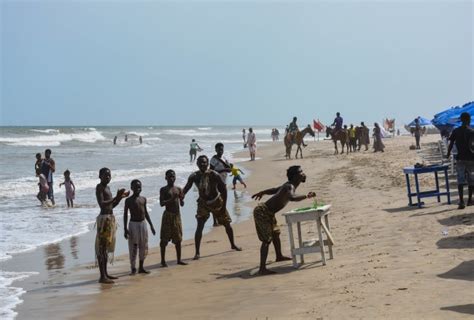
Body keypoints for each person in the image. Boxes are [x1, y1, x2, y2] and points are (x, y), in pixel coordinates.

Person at [251, 166, 316, 275]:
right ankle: (262, 268)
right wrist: (307, 196)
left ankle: (279, 256)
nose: (303, 174)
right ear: (295, 176)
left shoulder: (288, 185)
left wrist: (263, 192)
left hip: (268, 212)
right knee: (266, 240)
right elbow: (292, 197)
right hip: (262, 212)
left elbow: (275, 190)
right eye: (301, 172)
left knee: (276, 233)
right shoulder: (289, 186)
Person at [182, 155, 242, 260]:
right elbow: (186, 188)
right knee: (199, 226)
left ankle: (233, 244)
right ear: (197, 164)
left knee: (227, 224)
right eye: (200, 163)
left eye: (204, 162)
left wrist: (223, 206)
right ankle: (197, 252)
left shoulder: (214, 175)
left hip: (216, 201)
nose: (202, 164)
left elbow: (224, 190)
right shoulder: (194, 176)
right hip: (203, 203)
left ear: (208, 163)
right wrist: (181, 197)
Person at [95, 168, 129, 284]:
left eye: (109, 176)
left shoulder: (108, 188)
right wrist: (115, 197)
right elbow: (102, 204)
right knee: (102, 248)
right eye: (105, 175)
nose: (108, 177)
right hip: (104, 220)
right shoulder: (99, 187)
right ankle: (102, 276)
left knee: (105, 248)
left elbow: (112, 205)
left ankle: (105, 273)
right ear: (100, 176)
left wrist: (120, 197)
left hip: (109, 219)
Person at [124, 179, 155, 275]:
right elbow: (125, 214)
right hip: (133, 224)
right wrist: (125, 228)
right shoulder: (128, 200)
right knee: (133, 246)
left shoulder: (143, 199)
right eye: (136, 187)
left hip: (143, 224)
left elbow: (145, 213)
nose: (138, 188)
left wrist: (151, 225)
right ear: (131, 188)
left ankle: (141, 267)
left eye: (139, 187)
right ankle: (133, 268)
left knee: (143, 245)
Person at [159, 170, 187, 267]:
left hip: (176, 215)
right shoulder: (163, 189)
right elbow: (161, 203)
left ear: (175, 177)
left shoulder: (178, 189)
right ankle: (163, 261)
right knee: (164, 239)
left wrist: (181, 199)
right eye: (169, 177)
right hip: (168, 215)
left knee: (178, 238)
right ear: (166, 178)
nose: (171, 178)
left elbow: (182, 204)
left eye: (173, 177)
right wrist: (172, 199)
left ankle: (179, 259)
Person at [447, 112, 474, 209]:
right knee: (471, 180)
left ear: (461, 120)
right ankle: (470, 200)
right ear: (468, 120)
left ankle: (461, 201)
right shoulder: (472, 131)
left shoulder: (456, 131)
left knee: (460, 180)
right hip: (471, 159)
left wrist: (447, 154)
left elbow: (450, 144)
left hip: (460, 158)